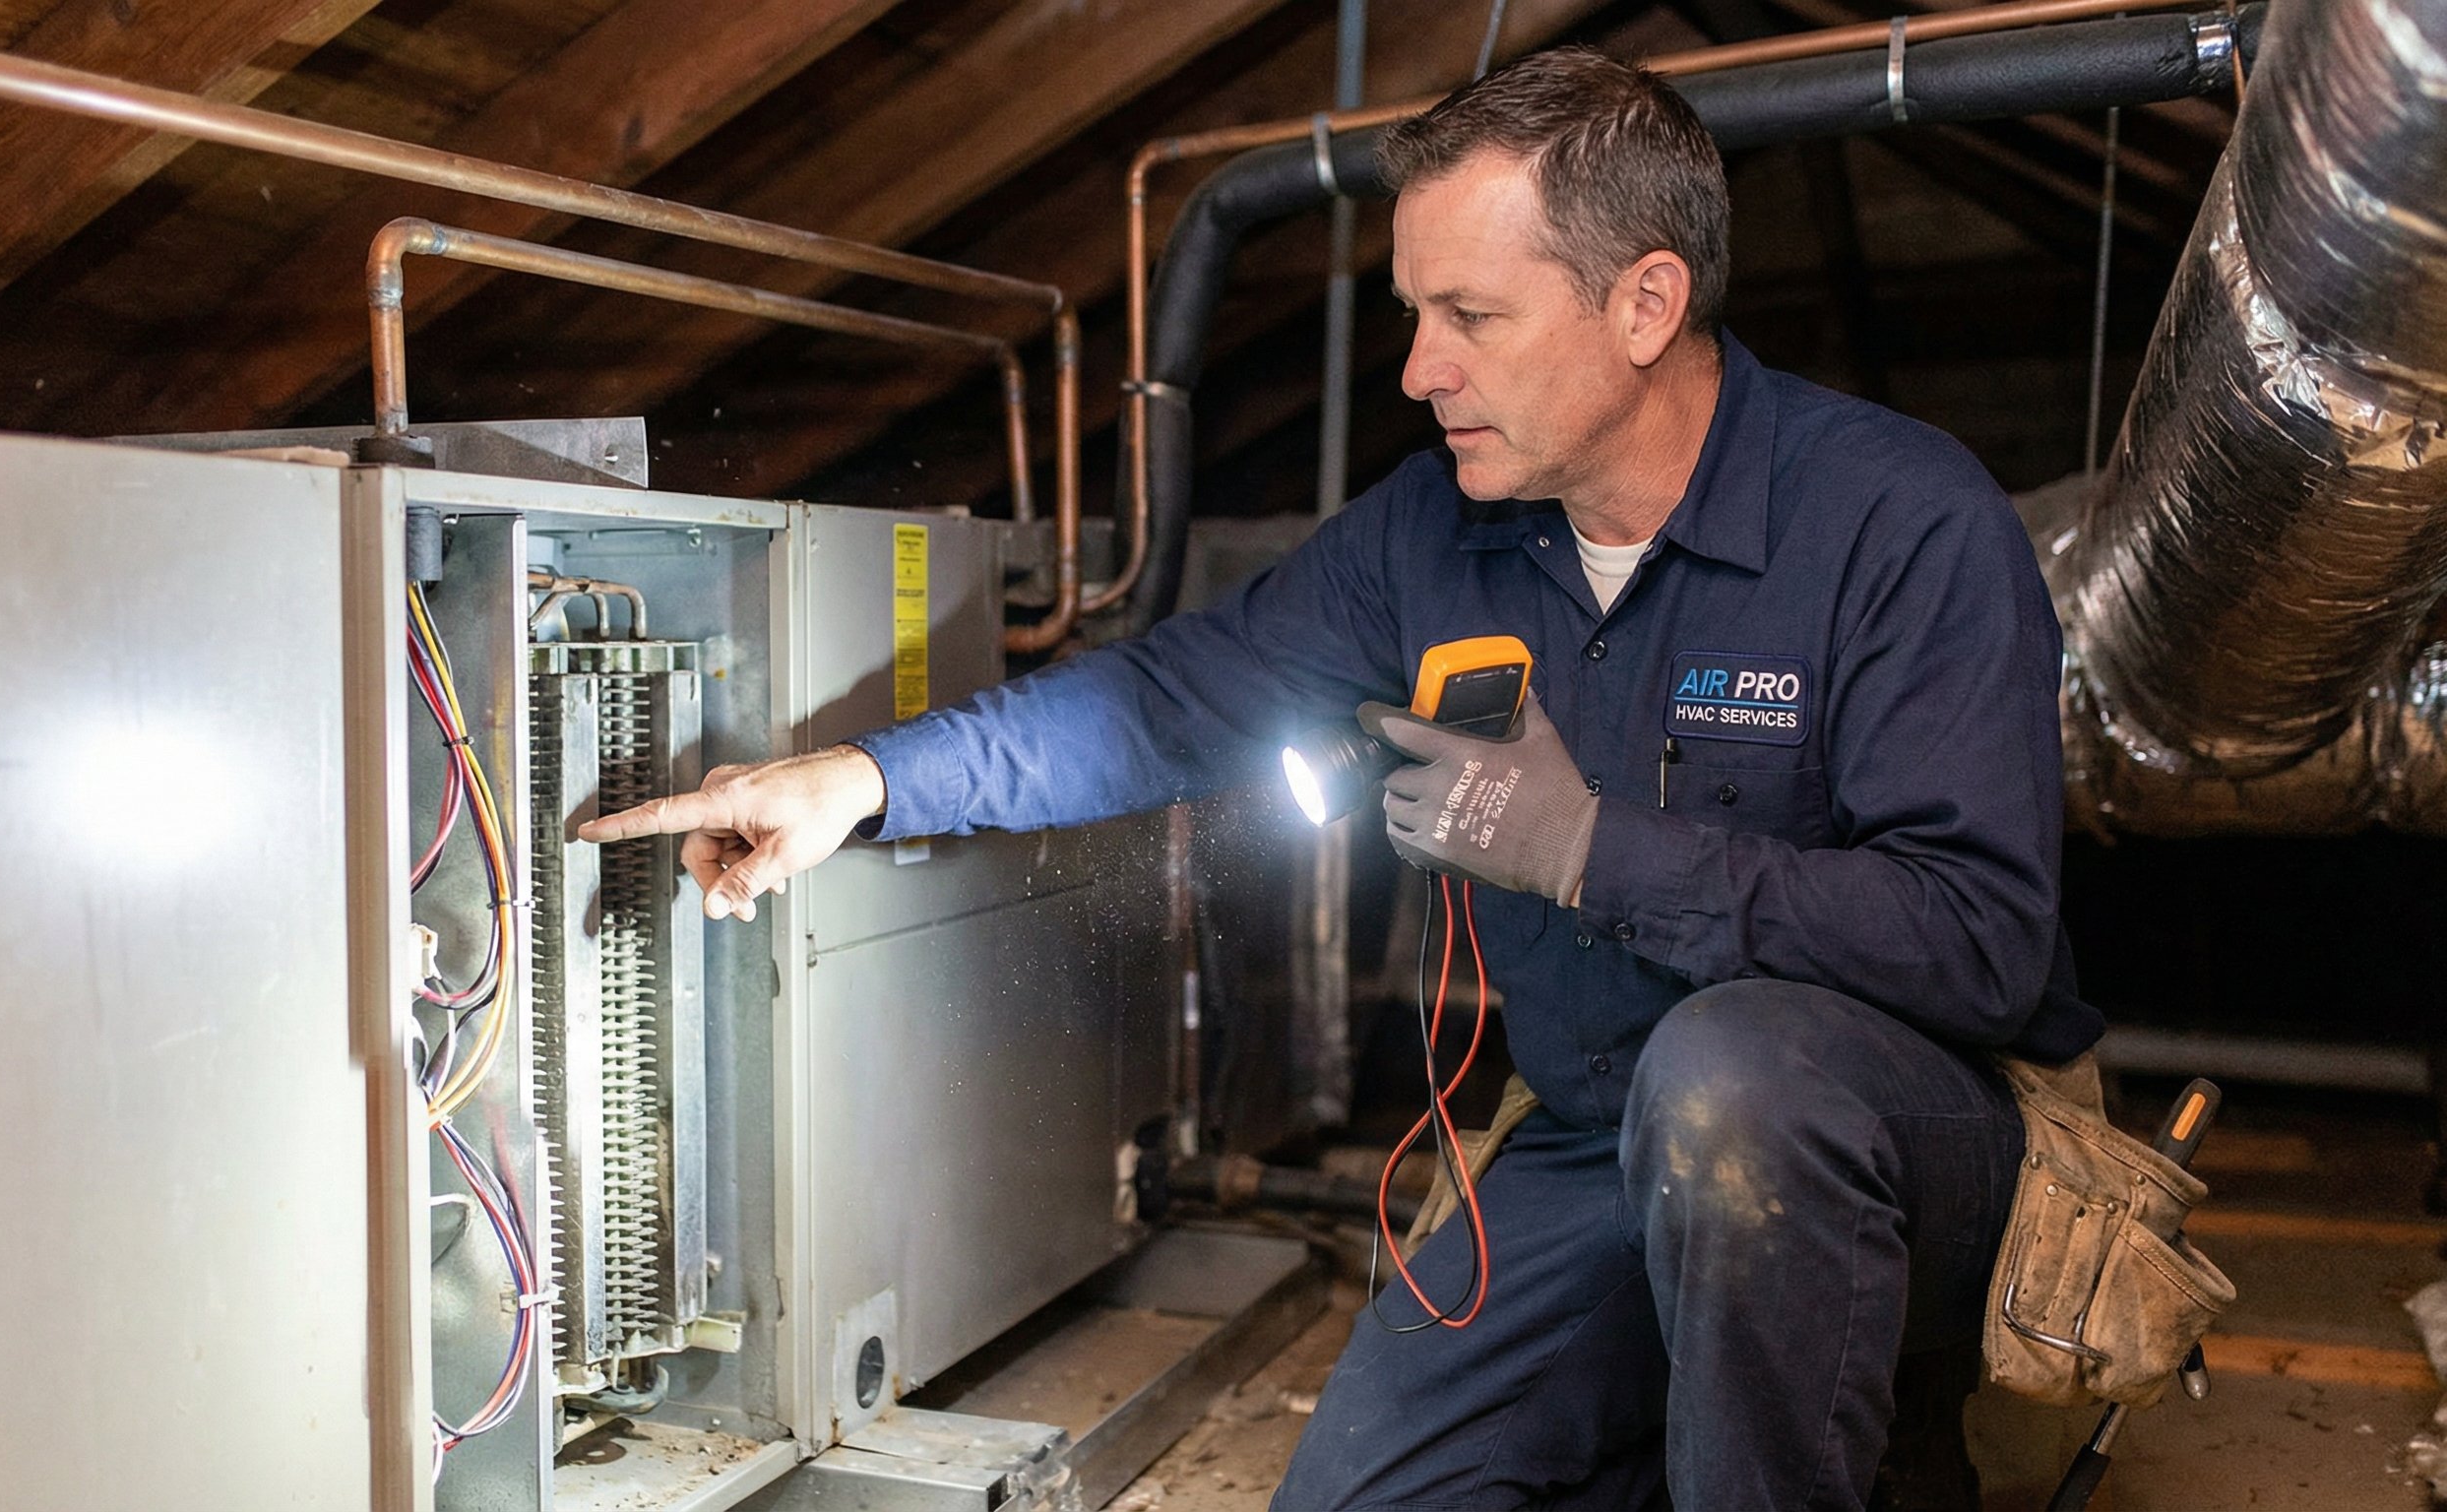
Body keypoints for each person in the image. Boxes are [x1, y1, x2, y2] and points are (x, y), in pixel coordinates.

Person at [581, 48, 2100, 1512]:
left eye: (1472, 316)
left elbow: (1979, 947)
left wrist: (1593, 853)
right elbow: (1169, 702)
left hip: (1903, 1150)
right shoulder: (1434, 533)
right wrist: (862, 780)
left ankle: (1865, 1423)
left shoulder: (1900, 523)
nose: (1422, 369)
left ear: (1646, 303)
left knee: (1734, 1085)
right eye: (1414, 313)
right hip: (1600, 1138)